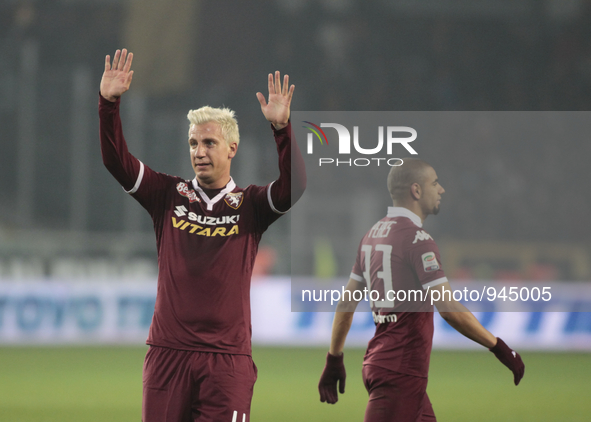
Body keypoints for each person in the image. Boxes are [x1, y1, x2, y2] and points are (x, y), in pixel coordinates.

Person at [99, 48, 305, 422]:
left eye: (209, 143)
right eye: (194, 143)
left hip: (227, 360)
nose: (199, 151)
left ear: (232, 148)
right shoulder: (167, 195)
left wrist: (282, 130)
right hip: (168, 354)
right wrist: (109, 104)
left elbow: (293, 188)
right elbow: (117, 161)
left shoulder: (250, 205)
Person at [318, 159, 524, 422]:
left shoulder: (371, 235)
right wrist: (500, 348)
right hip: (399, 373)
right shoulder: (418, 240)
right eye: (435, 183)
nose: (442, 190)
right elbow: (449, 310)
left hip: (389, 368)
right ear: (416, 190)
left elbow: (347, 303)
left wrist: (334, 358)